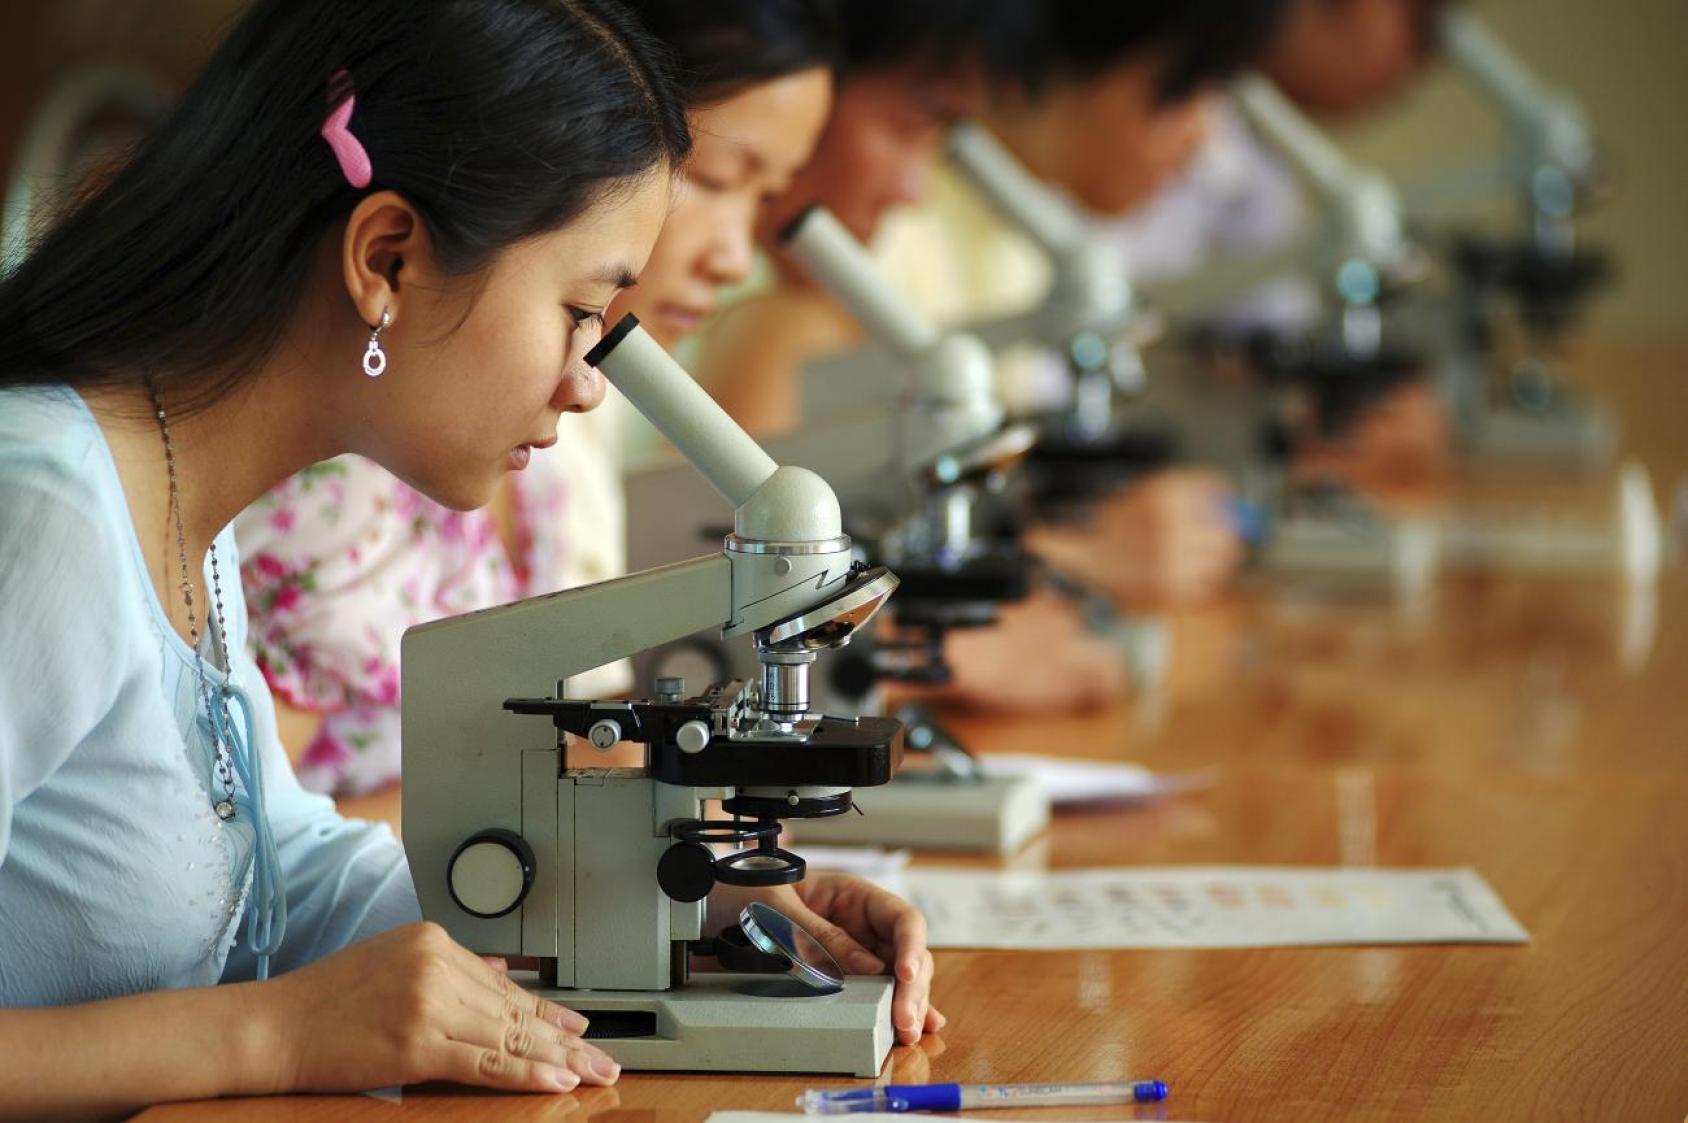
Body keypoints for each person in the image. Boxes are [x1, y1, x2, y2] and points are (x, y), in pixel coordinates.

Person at [0, 2, 933, 1115]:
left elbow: (273, 876)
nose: (589, 380)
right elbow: (267, 1000)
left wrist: (684, 896)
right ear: (386, 257)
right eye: (581, 309)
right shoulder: (42, 506)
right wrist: (271, 1034)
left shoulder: (178, 495)